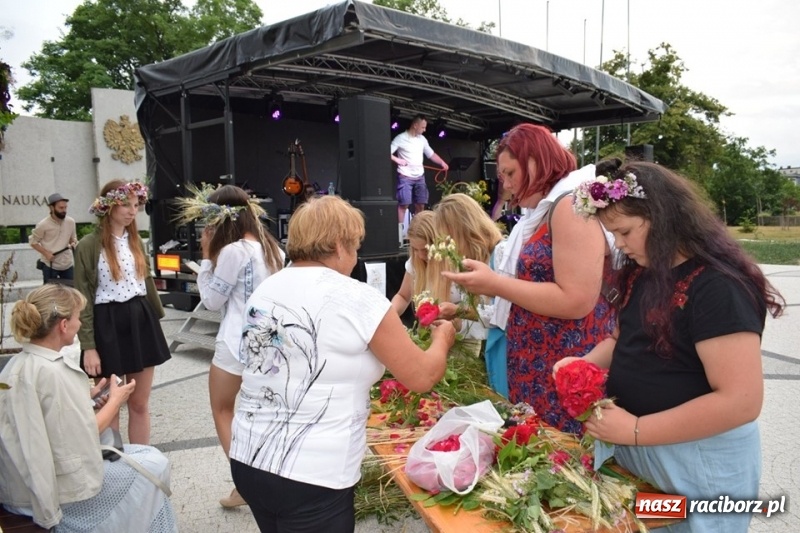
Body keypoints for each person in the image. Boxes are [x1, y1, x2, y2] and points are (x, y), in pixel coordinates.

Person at [554, 161, 784, 533]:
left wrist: (636, 429)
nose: (619, 244)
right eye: (612, 233)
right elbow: (622, 338)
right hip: (643, 450)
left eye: (625, 231)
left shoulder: (718, 286)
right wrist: (580, 364)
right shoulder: (645, 272)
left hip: (696, 462)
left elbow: (741, 401)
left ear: (661, 217)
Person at [228, 195, 456, 532]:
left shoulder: (266, 289)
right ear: (338, 245)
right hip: (312, 477)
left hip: (249, 459)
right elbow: (422, 375)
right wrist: (443, 339)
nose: (355, 258)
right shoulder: (355, 297)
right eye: (354, 247)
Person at [441, 123, 615, 434]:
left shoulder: (569, 207)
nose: (505, 185)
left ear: (536, 162)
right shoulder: (545, 209)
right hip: (542, 362)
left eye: (510, 173)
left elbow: (576, 300)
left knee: (564, 455)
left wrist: (494, 284)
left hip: (563, 361)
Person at [0, 283, 177, 532]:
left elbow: (48, 423)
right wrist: (115, 400)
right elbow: (83, 434)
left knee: (145, 462)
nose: (80, 324)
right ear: (63, 325)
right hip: (49, 495)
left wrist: (89, 400)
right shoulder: (53, 372)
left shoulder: (17, 365)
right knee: (154, 468)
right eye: (77, 318)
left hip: (18, 487)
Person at [188, 184, 285, 508]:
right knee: (262, 414)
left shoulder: (232, 252)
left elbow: (212, 302)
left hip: (235, 342)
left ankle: (245, 484)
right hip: (268, 342)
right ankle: (269, 478)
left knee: (223, 409)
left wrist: (205, 260)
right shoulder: (273, 248)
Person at [74, 179, 171, 445]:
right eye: (125, 205)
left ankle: (142, 460)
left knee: (139, 402)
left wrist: (155, 318)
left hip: (140, 319)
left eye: (136, 205)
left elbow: (145, 283)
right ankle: (114, 463)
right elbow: (83, 295)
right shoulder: (88, 245)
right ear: (108, 206)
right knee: (110, 403)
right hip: (107, 323)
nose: (132, 210)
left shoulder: (135, 240)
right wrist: (89, 346)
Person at [431, 193, 504, 344]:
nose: (449, 245)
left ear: (465, 230)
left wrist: (458, 311)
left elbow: (507, 314)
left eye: (449, 237)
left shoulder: (500, 254)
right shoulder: (470, 261)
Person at [390, 114, 449, 240]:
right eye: (423, 127)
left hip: (419, 176)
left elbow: (431, 154)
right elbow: (387, 152)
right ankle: (399, 236)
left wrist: (442, 163)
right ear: (415, 125)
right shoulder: (400, 138)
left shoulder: (422, 139)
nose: (424, 130)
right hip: (405, 176)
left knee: (420, 205)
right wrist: (397, 160)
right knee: (403, 205)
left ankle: (417, 233)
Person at [390, 210, 437, 316]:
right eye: (415, 249)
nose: (420, 256)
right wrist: (389, 316)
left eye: (425, 250)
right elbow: (403, 296)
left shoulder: (455, 263)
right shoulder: (414, 263)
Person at [29, 193, 78, 283]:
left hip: (67, 263)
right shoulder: (43, 224)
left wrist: (73, 243)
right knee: (50, 294)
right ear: (52, 208)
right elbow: (33, 242)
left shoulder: (71, 222)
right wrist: (46, 253)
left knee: (70, 293)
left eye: (65, 207)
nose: (64, 210)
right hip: (50, 265)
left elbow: (73, 239)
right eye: (61, 208)